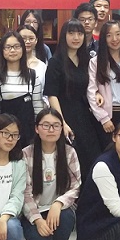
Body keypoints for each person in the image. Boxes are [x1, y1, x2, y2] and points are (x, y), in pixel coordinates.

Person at [45, 19, 107, 179]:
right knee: (73, 162)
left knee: (93, 158)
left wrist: (97, 93)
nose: (76, 37)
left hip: (86, 115)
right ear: (63, 36)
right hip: (66, 114)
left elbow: (91, 85)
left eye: (80, 33)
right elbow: (52, 95)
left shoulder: (86, 60)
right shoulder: (55, 62)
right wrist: (62, 123)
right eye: (71, 33)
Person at [21, 108, 81, 240]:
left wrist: (58, 203)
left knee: (67, 216)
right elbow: (24, 192)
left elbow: (76, 186)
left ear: (61, 129)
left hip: (58, 208)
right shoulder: (26, 154)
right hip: (35, 209)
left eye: (56, 125)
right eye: (46, 125)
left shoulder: (69, 152)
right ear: (37, 128)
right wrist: (38, 220)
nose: (51, 130)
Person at [0, 31, 44, 144]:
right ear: (2, 50)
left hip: (27, 134)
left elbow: (38, 107)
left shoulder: (32, 76)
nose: (12, 50)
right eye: (8, 47)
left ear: (23, 49)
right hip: (4, 134)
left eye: (17, 46)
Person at [16, 25, 48, 106]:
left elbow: (46, 92)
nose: (27, 42)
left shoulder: (42, 66)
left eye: (31, 38)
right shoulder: (11, 63)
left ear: (36, 40)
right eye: (23, 38)